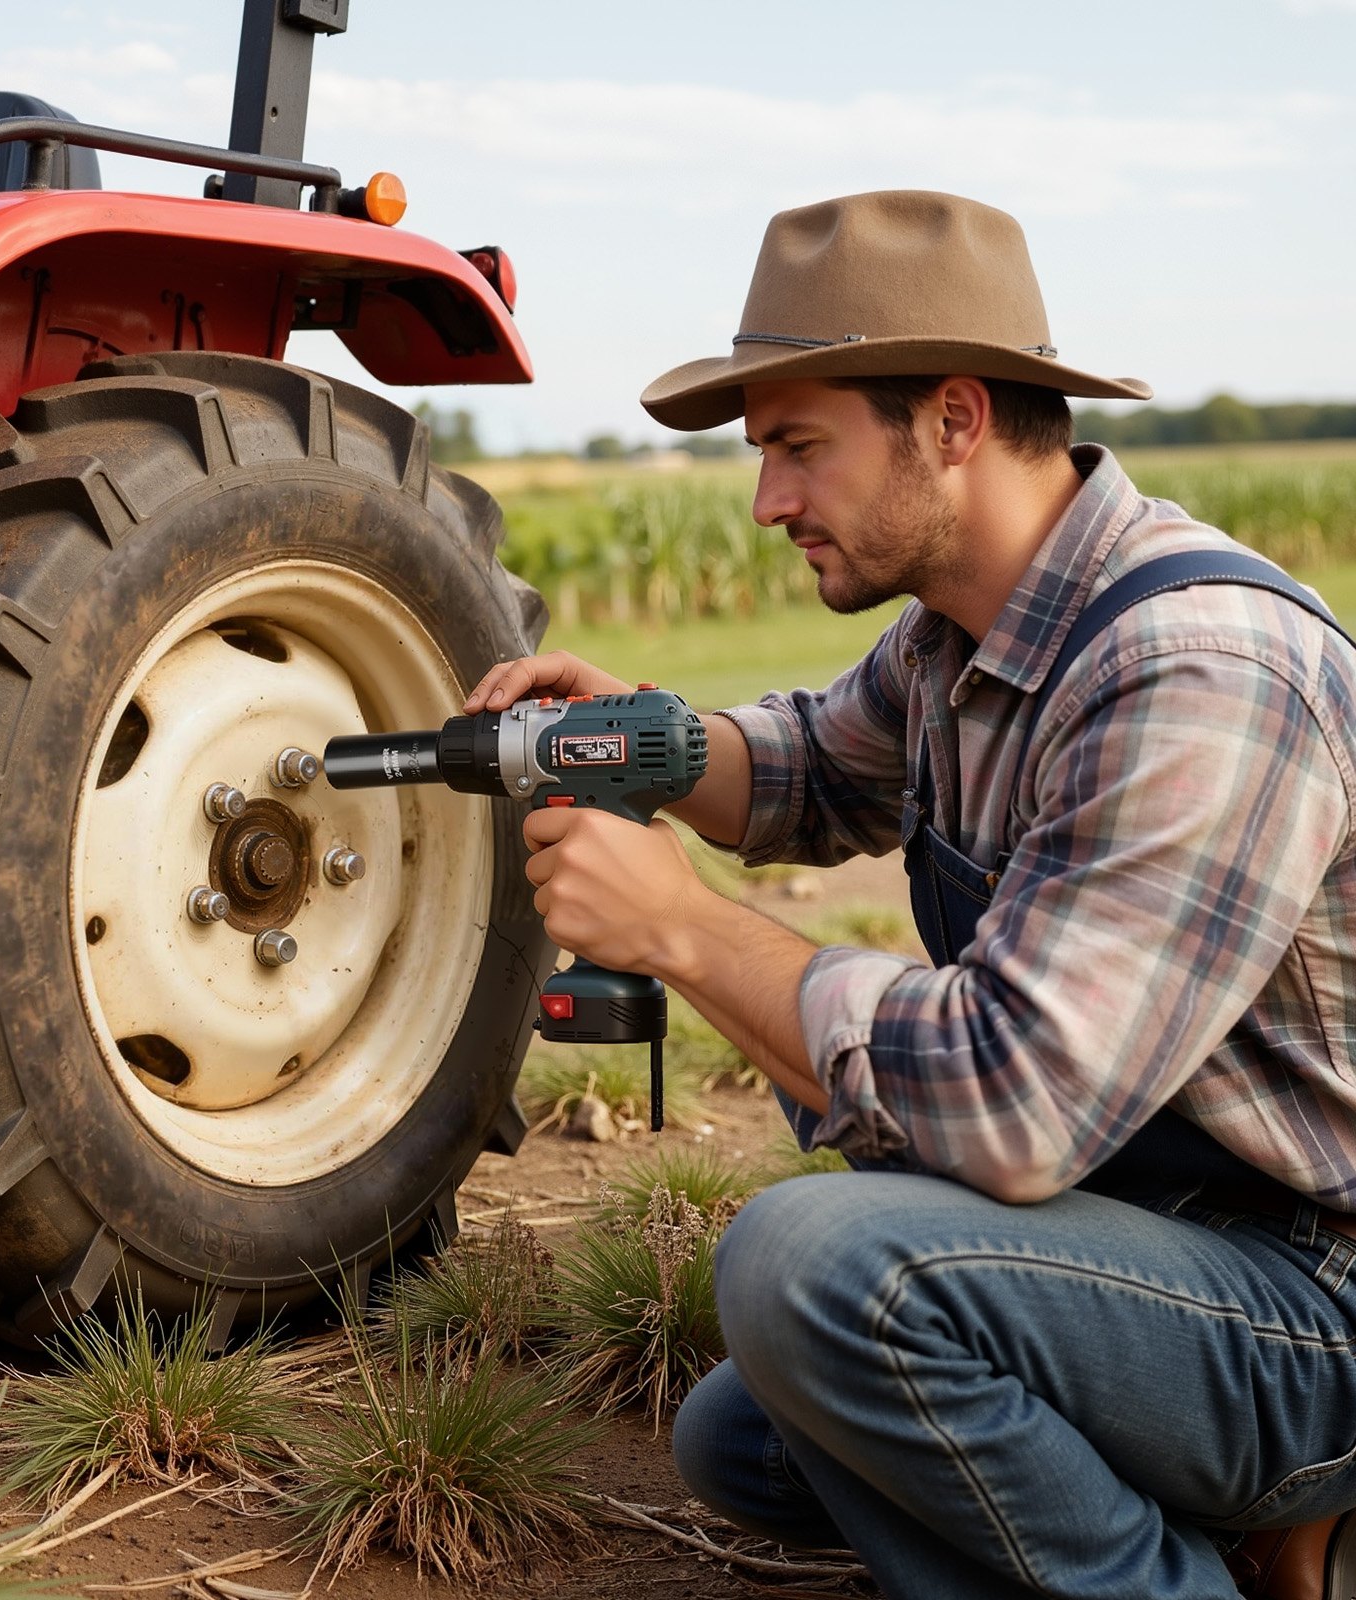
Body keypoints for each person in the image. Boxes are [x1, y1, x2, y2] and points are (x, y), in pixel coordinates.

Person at [463, 190, 1356, 1600]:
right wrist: (646, 736)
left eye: (799, 448)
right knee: (745, 1443)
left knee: (814, 1271)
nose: (767, 503)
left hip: (1307, 1302)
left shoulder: (1198, 673)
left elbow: (1017, 1108)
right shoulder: (955, 639)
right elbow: (810, 769)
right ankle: (1246, 1542)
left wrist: (679, 929)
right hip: (1144, 1242)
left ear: (952, 419)